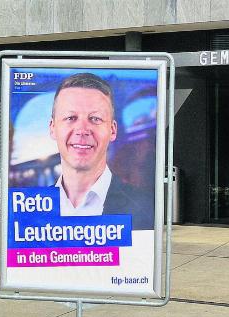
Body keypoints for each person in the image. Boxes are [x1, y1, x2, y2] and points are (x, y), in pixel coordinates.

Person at [49, 73, 154, 230]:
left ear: (112, 130)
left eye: (95, 119)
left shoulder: (143, 208)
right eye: (71, 118)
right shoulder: (31, 210)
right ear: (53, 128)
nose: (82, 130)